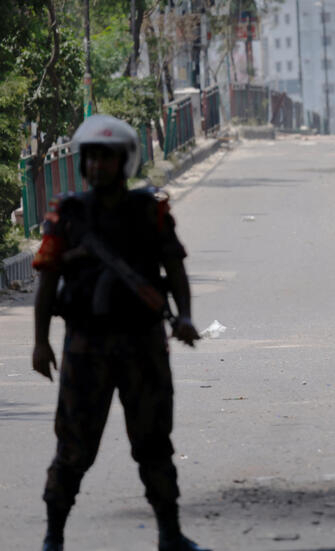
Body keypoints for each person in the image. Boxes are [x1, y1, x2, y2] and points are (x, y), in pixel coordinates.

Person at [31, 115, 208, 551]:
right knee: (73, 447)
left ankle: (170, 533)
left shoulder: (150, 210)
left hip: (142, 343)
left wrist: (185, 316)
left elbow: (175, 268)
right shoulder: (68, 214)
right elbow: (48, 280)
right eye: (90, 158)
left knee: (153, 443)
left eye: (105, 159)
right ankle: (54, 537)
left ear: (123, 162)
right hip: (85, 345)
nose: (96, 167)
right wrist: (40, 343)